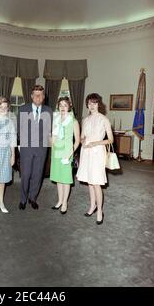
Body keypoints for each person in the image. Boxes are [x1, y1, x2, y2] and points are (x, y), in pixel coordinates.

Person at [76, 93, 114, 225]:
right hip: (86, 152)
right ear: (87, 104)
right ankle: (92, 206)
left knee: (96, 182)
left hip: (98, 152)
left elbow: (110, 140)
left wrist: (95, 143)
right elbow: (81, 137)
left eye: (94, 103)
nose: (91, 105)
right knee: (90, 182)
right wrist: (83, 140)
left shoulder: (104, 120)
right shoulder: (85, 120)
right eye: (89, 103)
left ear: (99, 104)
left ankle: (100, 211)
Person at [17, 85, 52, 210]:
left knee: (38, 174)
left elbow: (50, 130)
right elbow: (19, 129)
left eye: (40, 95)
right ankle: (23, 199)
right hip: (27, 148)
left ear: (43, 96)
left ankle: (33, 198)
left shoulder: (48, 110)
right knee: (25, 174)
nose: (38, 97)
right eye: (35, 94)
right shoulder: (23, 109)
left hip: (42, 148)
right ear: (31, 96)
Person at [50, 97, 80, 214]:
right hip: (56, 151)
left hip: (67, 152)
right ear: (58, 106)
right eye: (61, 105)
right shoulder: (56, 119)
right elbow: (53, 136)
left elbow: (77, 141)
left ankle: (65, 202)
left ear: (69, 107)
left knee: (66, 179)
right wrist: (52, 147)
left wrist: (69, 154)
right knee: (58, 178)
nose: (62, 107)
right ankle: (59, 200)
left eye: (65, 105)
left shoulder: (74, 121)